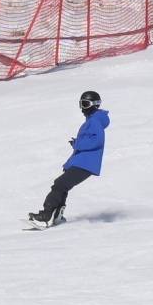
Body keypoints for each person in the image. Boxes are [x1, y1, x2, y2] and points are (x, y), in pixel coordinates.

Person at [30, 88, 106, 226]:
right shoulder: (92, 120)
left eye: (86, 104)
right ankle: (56, 215)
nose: (83, 108)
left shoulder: (95, 121)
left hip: (86, 163)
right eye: (81, 104)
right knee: (62, 185)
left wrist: (78, 144)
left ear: (95, 104)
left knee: (59, 184)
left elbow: (97, 141)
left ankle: (46, 215)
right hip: (82, 161)